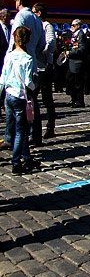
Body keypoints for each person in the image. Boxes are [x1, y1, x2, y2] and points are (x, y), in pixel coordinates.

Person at [0, 27, 40, 174]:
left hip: (8, 94)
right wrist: (35, 84)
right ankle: (16, 161)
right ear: (28, 40)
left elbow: (3, 77)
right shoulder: (27, 58)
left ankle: (26, 156)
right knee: (21, 130)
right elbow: (28, 81)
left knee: (16, 127)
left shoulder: (9, 55)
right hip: (19, 95)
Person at [32, 3, 57, 141]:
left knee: (47, 99)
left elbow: (51, 45)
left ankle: (50, 126)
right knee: (33, 98)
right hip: (35, 66)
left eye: (34, 11)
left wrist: (38, 50)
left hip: (44, 66)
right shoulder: (35, 26)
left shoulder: (46, 26)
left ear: (39, 13)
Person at [65, 20, 87, 108]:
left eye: (73, 25)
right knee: (69, 80)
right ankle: (74, 99)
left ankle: (79, 101)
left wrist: (70, 53)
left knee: (77, 83)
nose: (71, 27)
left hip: (77, 62)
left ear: (78, 26)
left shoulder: (80, 35)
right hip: (72, 62)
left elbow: (82, 49)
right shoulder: (74, 35)